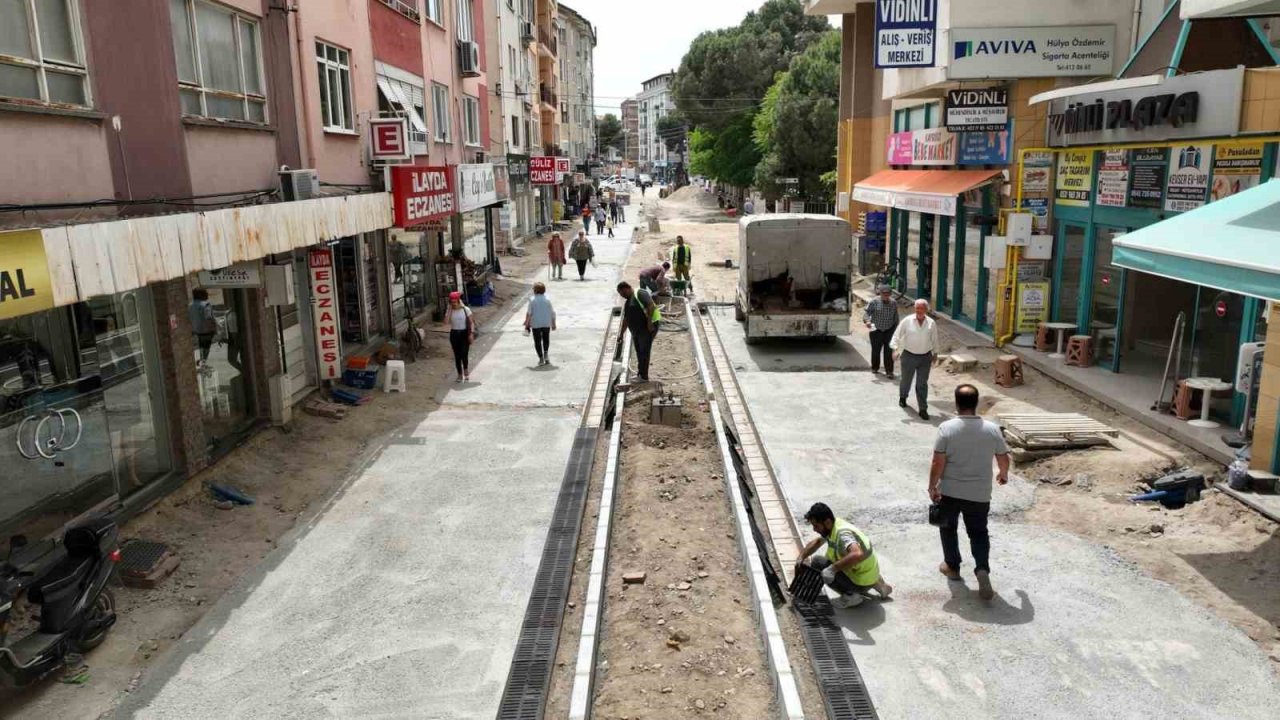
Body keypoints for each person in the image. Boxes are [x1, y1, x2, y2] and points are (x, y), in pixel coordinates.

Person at [930, 384, 1010, 601]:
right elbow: (1003, 457)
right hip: (979, 494)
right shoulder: (992, 429)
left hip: (951, 492)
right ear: (976, 404)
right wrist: (1003, 474)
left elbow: (938, 462)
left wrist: (932, 486)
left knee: (948, 528)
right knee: (978, 532)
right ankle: (982, 569)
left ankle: (952, 567)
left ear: (956, 403)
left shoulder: (947, 428)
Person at [796, 502, 892, 609]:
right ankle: (878, 585)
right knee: (833, 561)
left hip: (860, 579)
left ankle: (852, 596)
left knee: (818, 563)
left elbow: (857, 553)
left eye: (816, 526)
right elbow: (818, 542)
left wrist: (832, 569)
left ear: (827, 522)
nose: (814, 529)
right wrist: (801, 557)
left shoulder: (842, 534)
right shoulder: (834, 525)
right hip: (869, 573)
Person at [891, 298, 938, 420]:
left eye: (922, 308)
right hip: (909, 355)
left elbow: (935, 339)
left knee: (922, 383)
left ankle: (923, 409)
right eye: (917, 308)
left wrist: (935, 353)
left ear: (926, 310)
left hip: (925, 357)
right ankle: (903, 397)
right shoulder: (907, 321)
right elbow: (897, 335)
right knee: (906, 380)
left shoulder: (931, 323)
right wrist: (895, 349)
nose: (919, 310)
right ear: (914, 308)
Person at [617, 281, 657, 382]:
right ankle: (640, 374)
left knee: (644, 352)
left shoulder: (640, 293)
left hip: (646, 328)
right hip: (636, 331)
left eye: (623, 293)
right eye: (621, 295)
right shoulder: (628, 302)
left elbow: (651, 306)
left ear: (628, 288)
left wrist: (649, 322)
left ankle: (644, 377)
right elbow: (626, 319)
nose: (623, 296)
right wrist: (621, 334)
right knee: (639, 352)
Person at [862, 285, 898, 378]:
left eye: (887, 294)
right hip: (876, 330)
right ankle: (875, 367)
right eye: (884, 294)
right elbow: (867, 313)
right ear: (880, 293)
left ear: (890, 294)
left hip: (889, 330)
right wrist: (867, 321)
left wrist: (896, 330)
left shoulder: (894, 303)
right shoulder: (874, 301)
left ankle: (889, 371)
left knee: (889, 351)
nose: (885, 296)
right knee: (876, 350)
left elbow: (895, 317)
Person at [442, 291, 475, 382]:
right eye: (451, 302)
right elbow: (445, 323)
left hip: (464, 333)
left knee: (464, 353)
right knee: (457, 355)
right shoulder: (450, 310)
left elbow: (471, 322)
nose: (453, 304)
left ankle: (465, 369)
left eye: (455, 302)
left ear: (458, 301)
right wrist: (449, 310)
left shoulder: (466, 309)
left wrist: (471, 333)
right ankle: (459, 374)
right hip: (454, 334)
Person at [524, 282, 556, 366]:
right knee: (546, 339)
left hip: (536, 323)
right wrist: (553, 323)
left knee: (537, 341)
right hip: (546, 322)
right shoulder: (548, 299)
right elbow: (552, 312)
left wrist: (526, 323)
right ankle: (546, 354)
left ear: (535, 290)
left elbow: (529, 313)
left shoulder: (532, 300)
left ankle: (541, 358)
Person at [189, 288, 218, 372]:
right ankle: (203, 364)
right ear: (201, 295)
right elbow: (208, 317)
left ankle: (201, 364)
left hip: (195, 330)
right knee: (206, 347)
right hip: (206, 330)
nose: (207, 295)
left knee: (201, 347)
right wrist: (214, 328)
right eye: (205, 293)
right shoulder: (206, 305)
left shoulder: (190, 305)